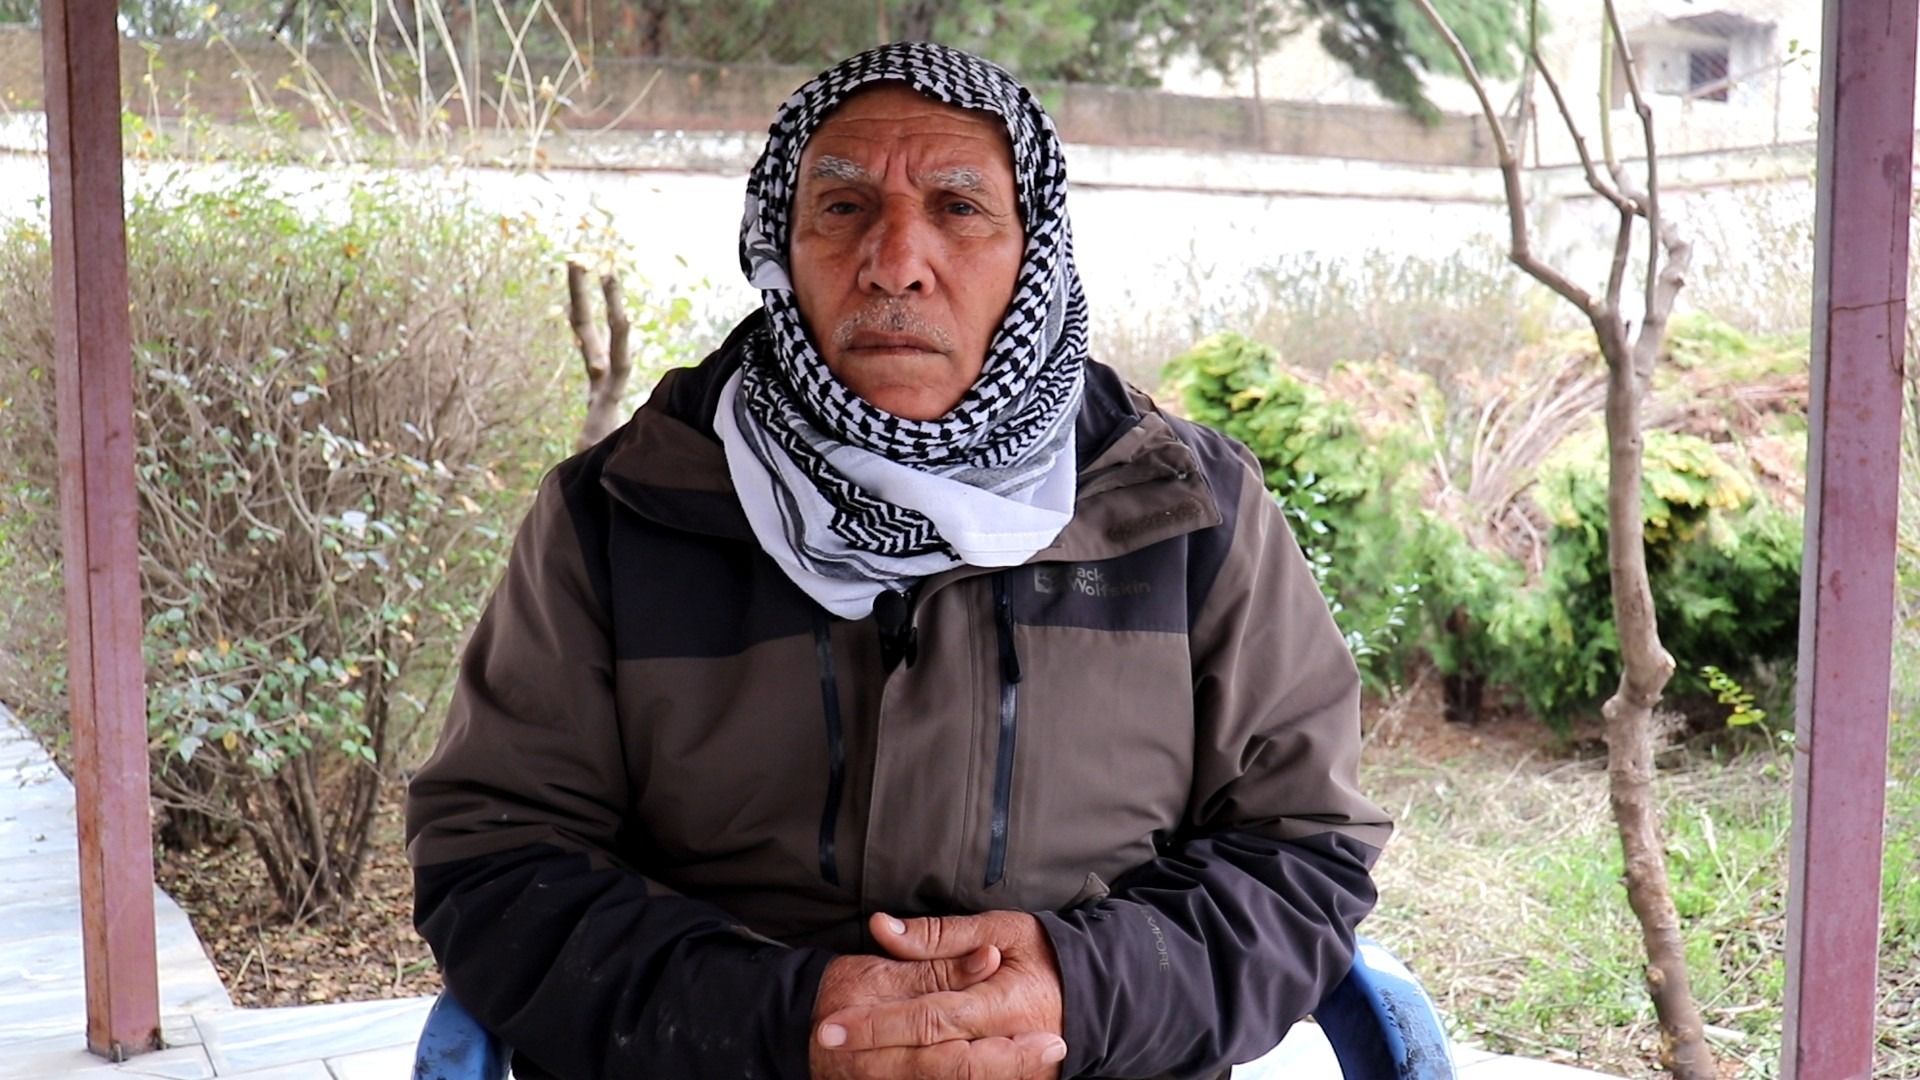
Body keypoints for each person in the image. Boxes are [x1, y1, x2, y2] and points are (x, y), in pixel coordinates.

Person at [406, 41, 1393, 1080]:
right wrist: (792, 1019)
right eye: (842, 208)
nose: (895, 263)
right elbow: (498, 857)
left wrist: (1077, 992)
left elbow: (1303, 852)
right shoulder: (625, 509)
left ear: (1035, 251)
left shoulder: (1185, 510)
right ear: (781, 245)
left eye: (959, 209)